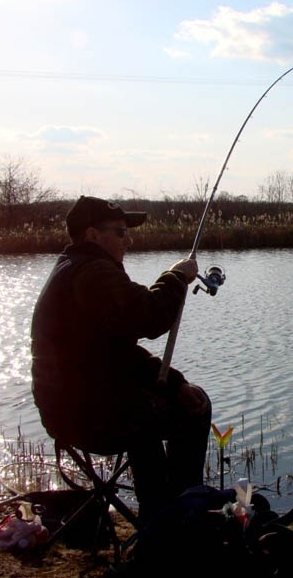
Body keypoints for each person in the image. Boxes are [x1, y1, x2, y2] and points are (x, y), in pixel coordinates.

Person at [30, 195, 211, 520]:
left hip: (71, 409)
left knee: (164, 403)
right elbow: (149, 316)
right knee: (194, 410)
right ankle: (175, 516)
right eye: (119, 232)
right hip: (90, 416)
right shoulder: (94, 273)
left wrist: (174, 383)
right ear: (92, 235)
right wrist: (175, 277)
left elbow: (115, 354)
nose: (129, 239)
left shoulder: (72, 267)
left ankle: (166, 513)